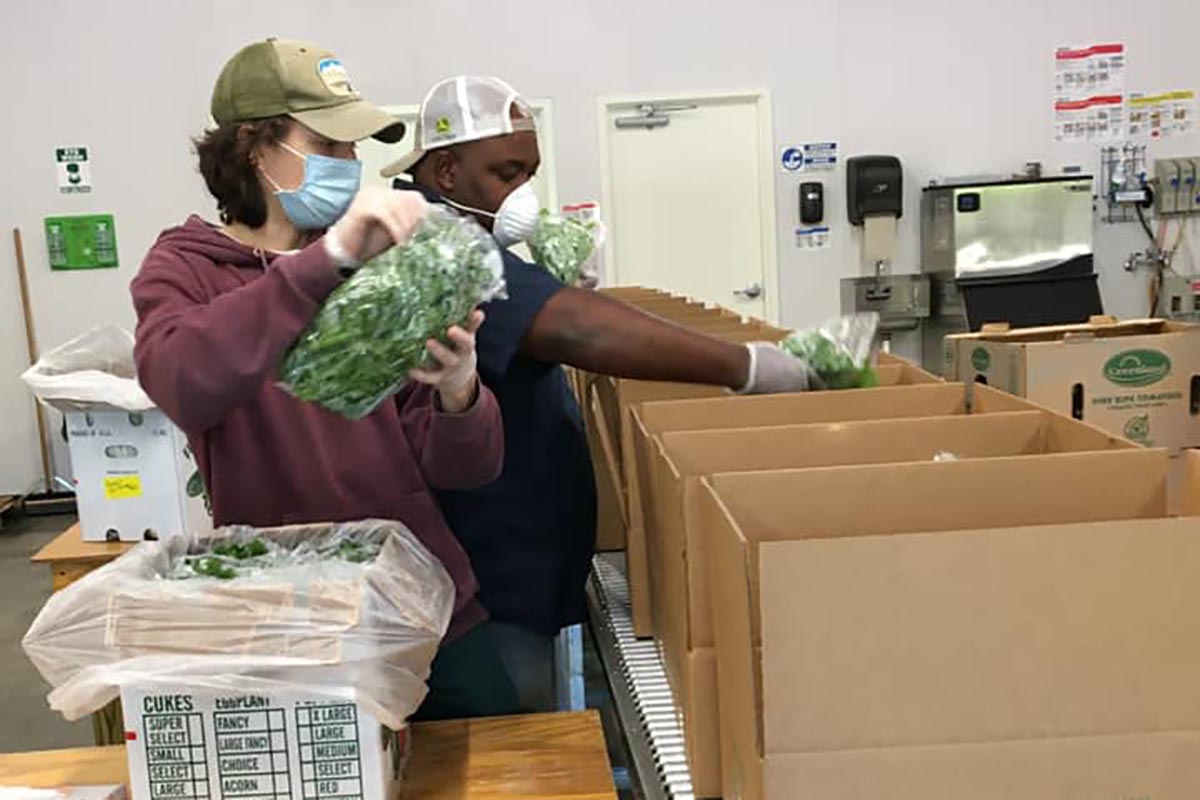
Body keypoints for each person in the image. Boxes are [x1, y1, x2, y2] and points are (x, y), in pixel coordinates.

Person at [382, 76, 815, 711]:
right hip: (491, 579)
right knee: (517, 749)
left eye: (530, 174)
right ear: (445, 170)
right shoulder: (437, 244)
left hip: (519, 567)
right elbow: (574, 329)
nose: (523, 194)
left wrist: (550, 284)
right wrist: (744, 365)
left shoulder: (457, 236)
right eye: (506, 173)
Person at [130, 42, 518, 721]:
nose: (350, 166)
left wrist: (460, 391)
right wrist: (327, 261)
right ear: (255, 145)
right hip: (290, 620)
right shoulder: (185, 268)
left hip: (423, 602)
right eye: (328, 145)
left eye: (353, 149)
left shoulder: (382, 267)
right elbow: (183, 380)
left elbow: (464, 468)